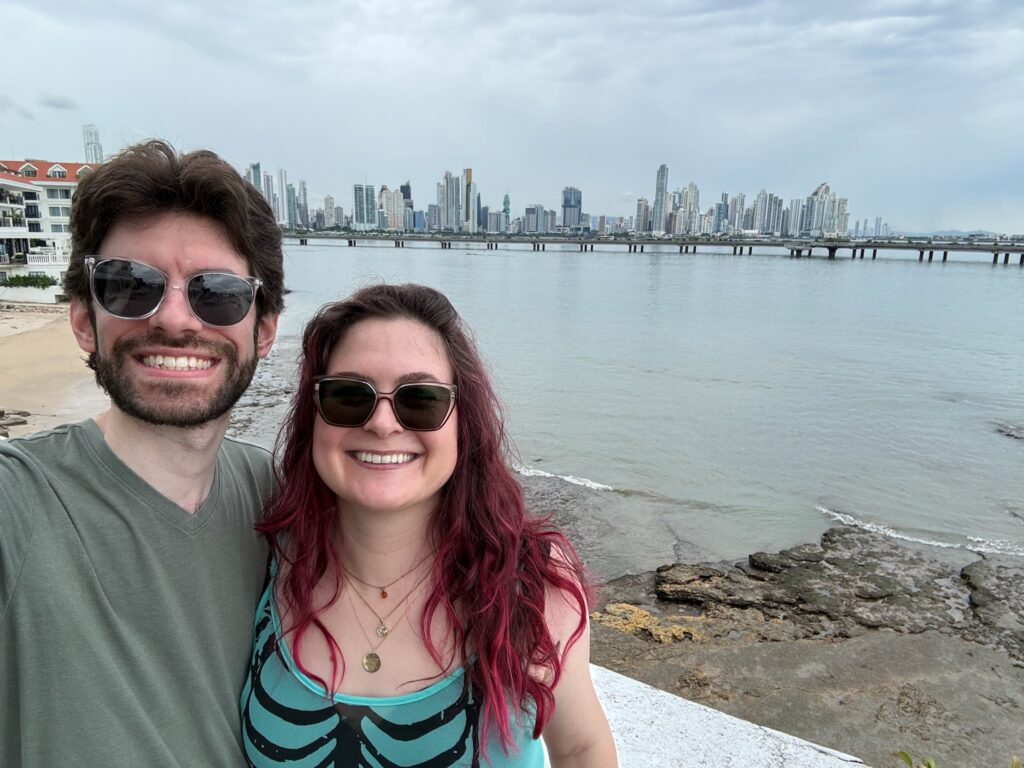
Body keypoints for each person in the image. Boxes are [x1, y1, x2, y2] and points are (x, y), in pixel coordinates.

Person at [242, 284, 617, 767]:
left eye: (420, 399)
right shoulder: (268, 557)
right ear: (314, 416)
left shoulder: (530, 584)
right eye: (347, 396)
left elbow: (582, 748)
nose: (381, 423)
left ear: (465, 422)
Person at [0, 140, 285, 767]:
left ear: (263, 330)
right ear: (83, 319)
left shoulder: (270, 492)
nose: (177, 320)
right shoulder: (18, 503)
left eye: (218, 293)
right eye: (131, 286)